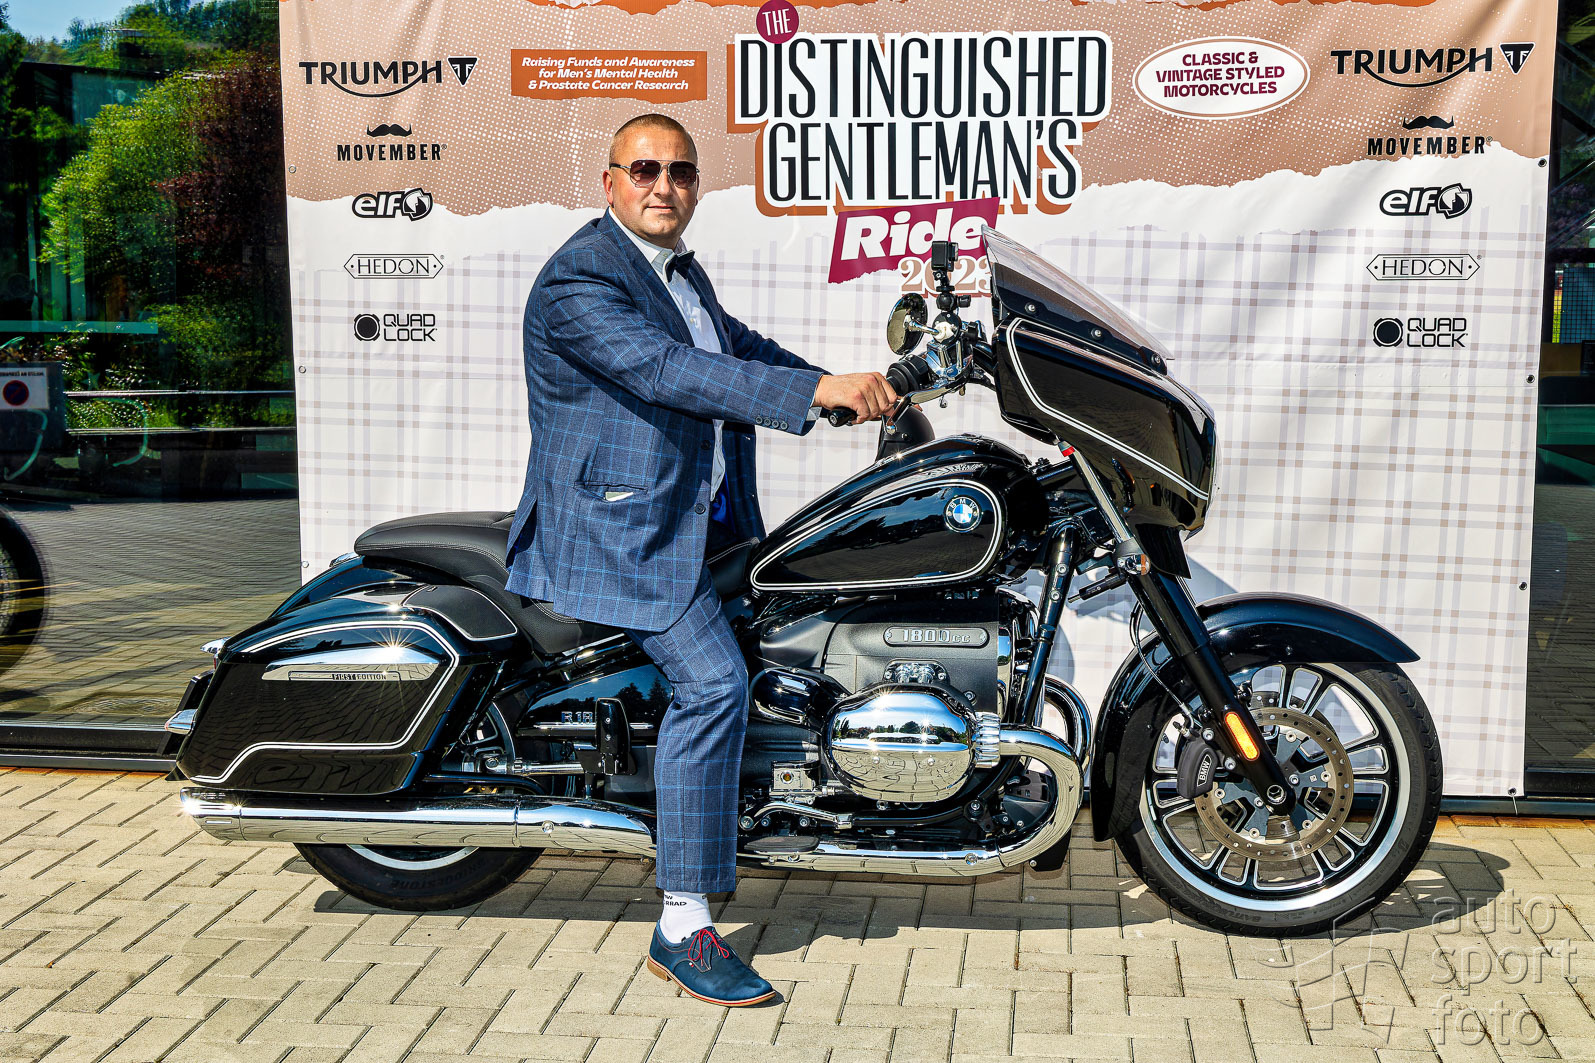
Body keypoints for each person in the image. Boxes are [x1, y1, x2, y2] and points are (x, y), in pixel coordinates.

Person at [503, 113, 897, 1006]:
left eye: (680, 172)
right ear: (609, 181)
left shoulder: (675, 269)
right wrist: (814, 392)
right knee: (714, 683)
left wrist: (851, 392)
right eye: (644, 169)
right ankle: (682, 925)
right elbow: (665, 371)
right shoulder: (581, 277)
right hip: (621, 533)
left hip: (696, 519)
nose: (663, 186)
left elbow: (735, 350)